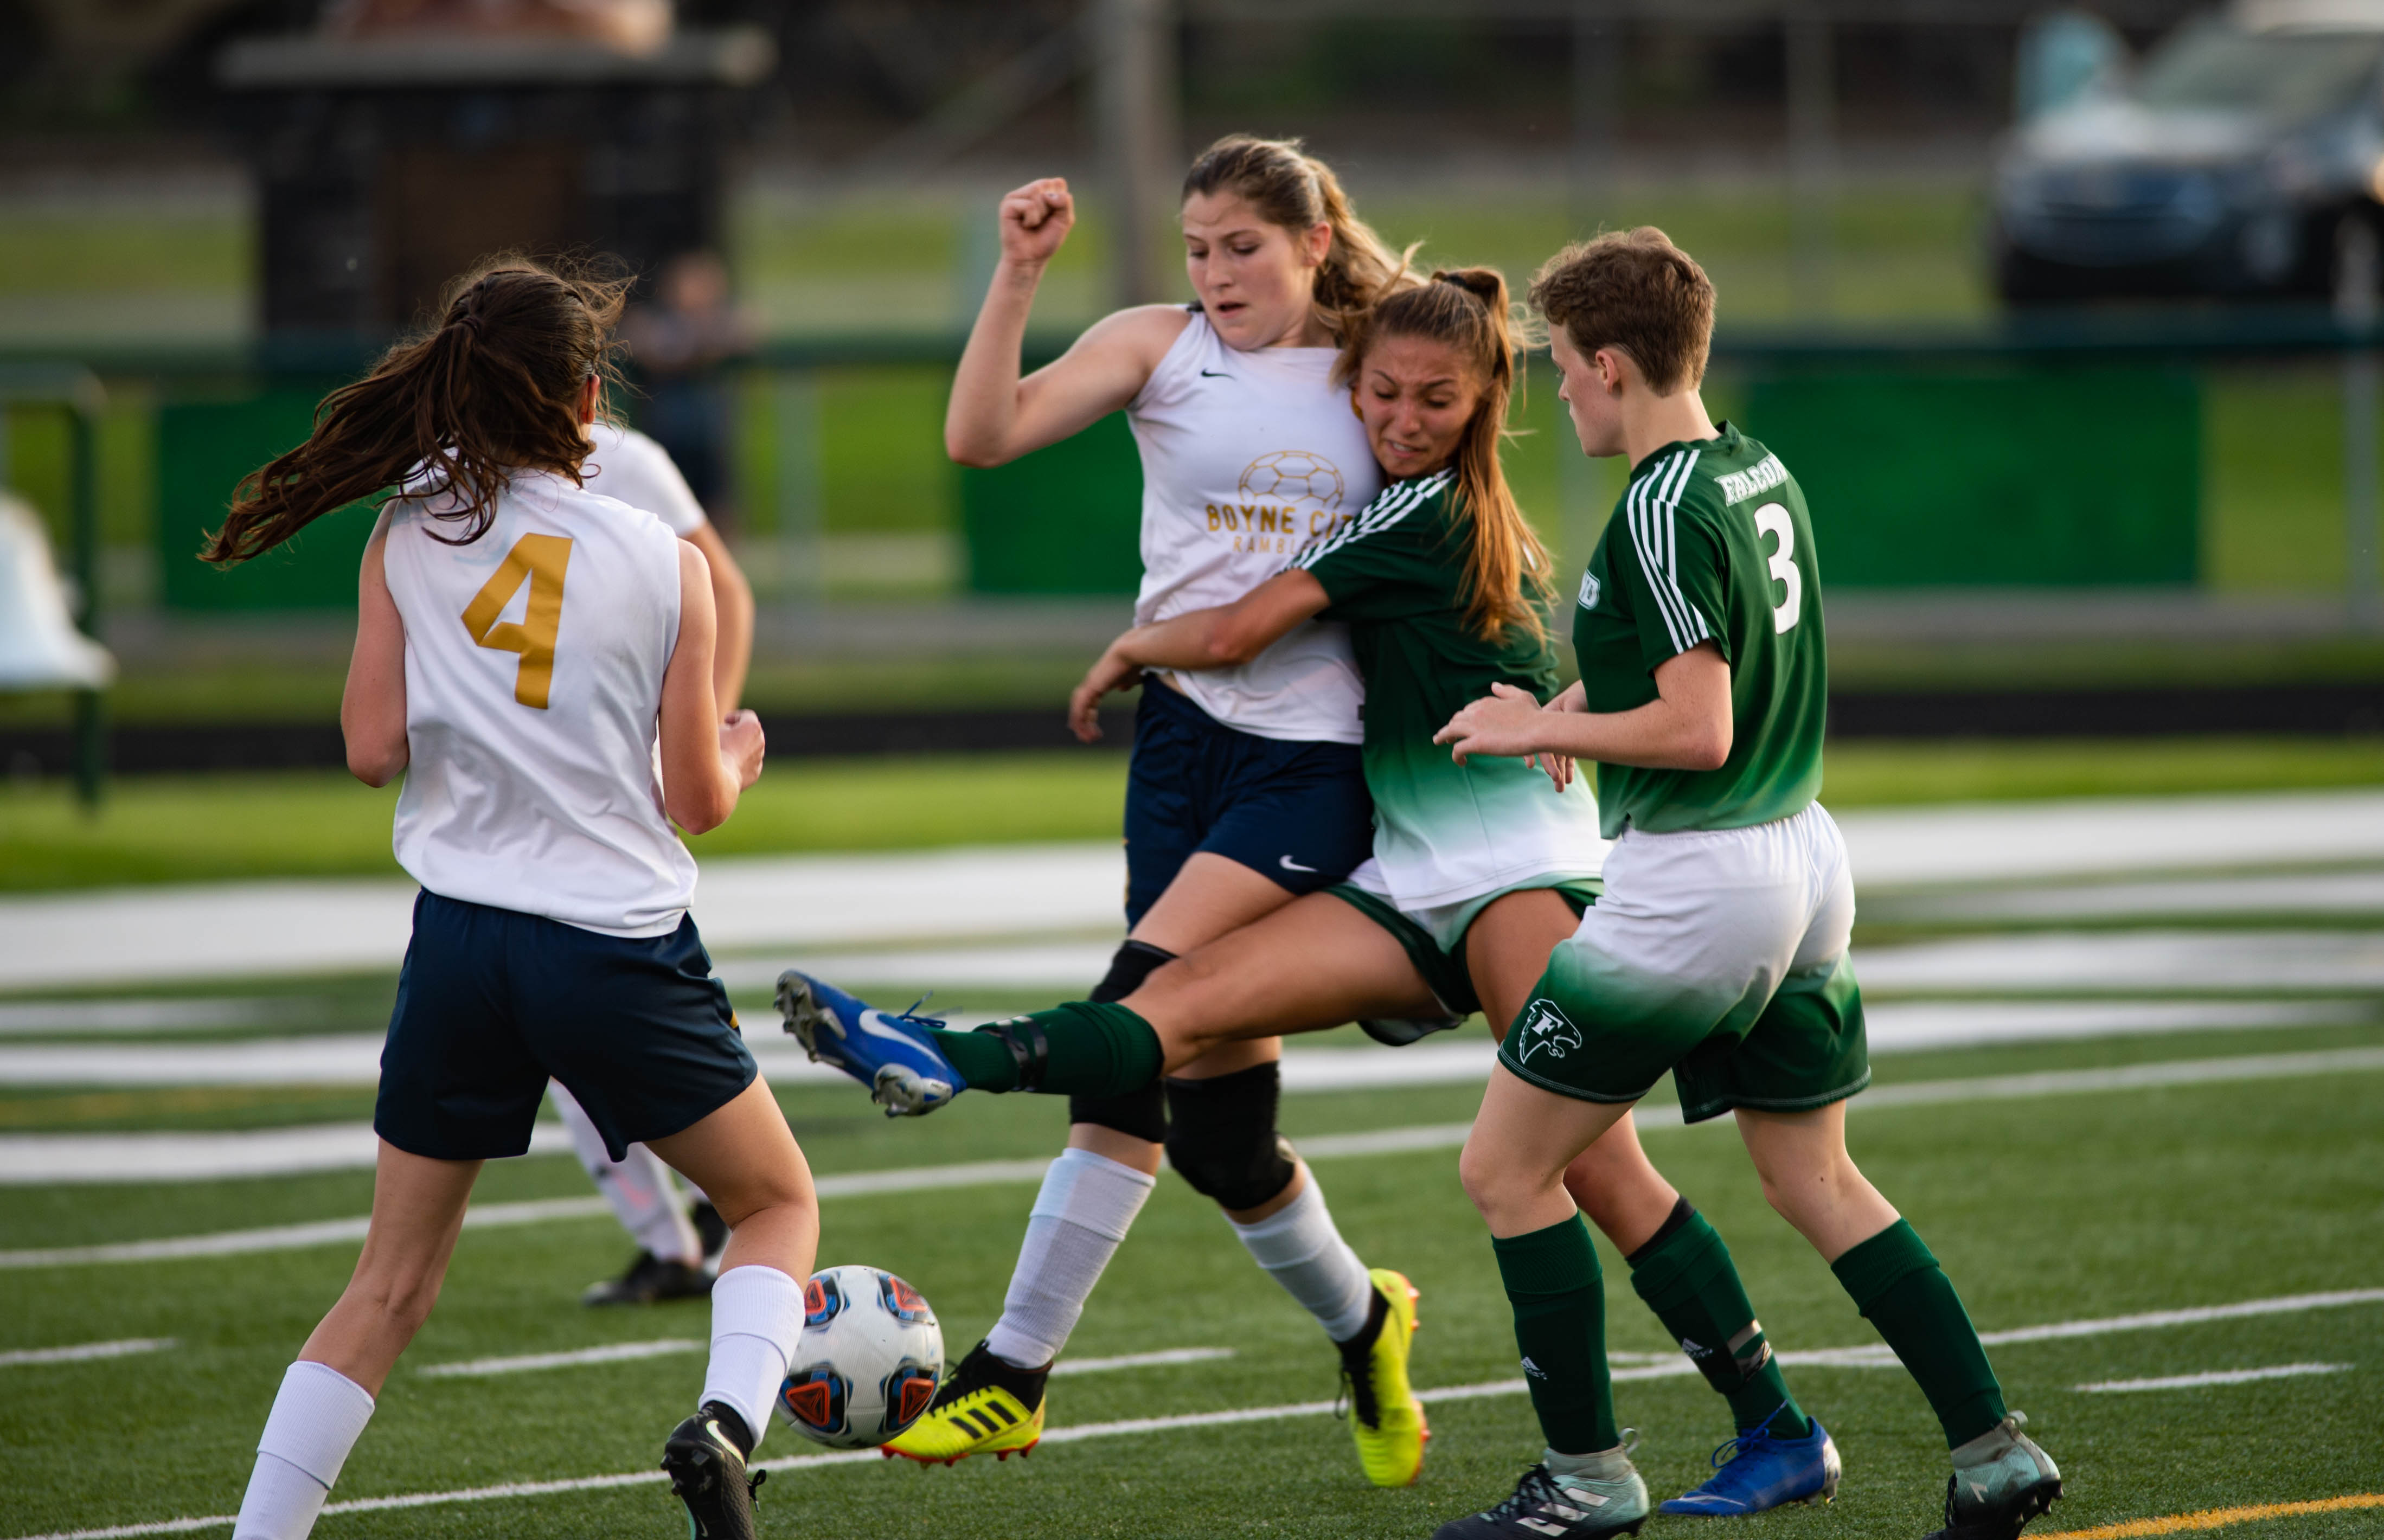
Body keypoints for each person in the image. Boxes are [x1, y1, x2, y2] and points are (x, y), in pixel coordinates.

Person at [781, 266, 1842, 1515]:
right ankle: (944, 1050)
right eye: (1380, 390)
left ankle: (1750, 1423)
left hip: (1510, 872)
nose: (1399, 416)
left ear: (1484, 398)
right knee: (1183, 1002)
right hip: (1403, 876)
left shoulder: (1420, 514)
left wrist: (1130, 644)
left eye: (1434, 398)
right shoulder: (1431, 500)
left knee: (1597, 1175)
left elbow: (1235, 632)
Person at [785, 133, 1419, 1482]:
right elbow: (979, 436)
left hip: (1314, 759)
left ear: (1313, 241)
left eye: (1242, 245)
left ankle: (1011, 1366)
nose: (1216, 272)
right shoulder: (1158, 344)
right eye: (1196, 248)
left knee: (1139, 1003)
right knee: (1221, 1141)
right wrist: (1016, 275)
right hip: (1180, 742)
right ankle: (1367, 1321)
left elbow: (1455, 536)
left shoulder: (1383, 366)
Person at [1416, 230, 2061, 1540]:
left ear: (1609, 363)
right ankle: (1994, 1450)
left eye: (1569, 377)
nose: (1565, 403)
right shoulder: (1750, 466)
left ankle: (1588, 1478)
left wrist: (1540, 734)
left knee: (1506, 1169)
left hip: (1698, 874)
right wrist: (1562, 701)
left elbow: (1697, 722)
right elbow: (1688, 661)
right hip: (1802, 859)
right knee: (1815, 1179)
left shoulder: (1656, 502)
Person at [203, 262, 812, 1540]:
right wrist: (742, 752)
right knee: (772, 1206)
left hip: (459, 943)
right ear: (590, 397)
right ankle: (726, 1429)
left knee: (388, 1284)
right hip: (612, 942)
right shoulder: (662, 560)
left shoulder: (406, 529)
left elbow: (372, 749)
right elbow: (696, 799)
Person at [560, 419, 757, 1307]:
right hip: (513, 807)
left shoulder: (624, 461)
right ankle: (674, 1236)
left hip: (609, 790)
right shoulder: (447, 472)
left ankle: (722, 1205)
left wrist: (701, 744)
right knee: (557, 1031)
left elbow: (726, 592)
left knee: (643, 1004)